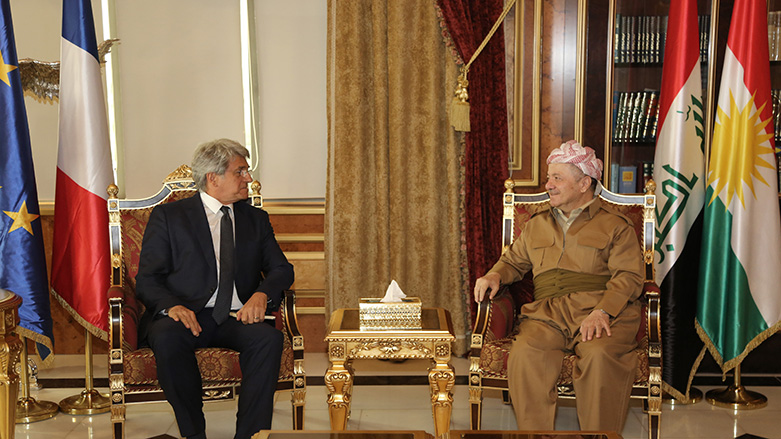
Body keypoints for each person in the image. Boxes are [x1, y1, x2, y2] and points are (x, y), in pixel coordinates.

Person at [473, 140, 644, 433]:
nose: (548, 185)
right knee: (526, 353)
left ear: (584, 184)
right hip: (547, 314)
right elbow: (513, 262)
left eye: (557, 178)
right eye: (549, 177)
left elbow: (629, 276)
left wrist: (603, 311)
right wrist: (494, 275)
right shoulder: (537, 223)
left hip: (601, 311)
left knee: (599, 357)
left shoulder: (616, 225)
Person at [136, 138, 294, 439]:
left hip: (237, 315)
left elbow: (282, 269)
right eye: (241, 171)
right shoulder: (170, 217)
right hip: (185, 315)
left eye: (247, 171)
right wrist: (173, 306)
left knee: (268, 341)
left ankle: (250, 435)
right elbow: (147, 278)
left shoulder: (255, 219)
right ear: (213, 178)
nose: (249, 178)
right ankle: (193, 434)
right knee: (167, 338)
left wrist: (261, 295)